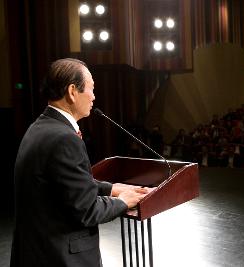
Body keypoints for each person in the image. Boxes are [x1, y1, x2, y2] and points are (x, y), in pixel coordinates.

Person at [11, 58, 149, 267]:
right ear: (72, 91)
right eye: (91, 89)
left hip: (38, 252)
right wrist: (123, 202)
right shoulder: (64, 138)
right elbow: (86, 210)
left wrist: (112, 189)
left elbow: (62, 187)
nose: (94, 97)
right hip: (60, 258)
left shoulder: (39, 128)